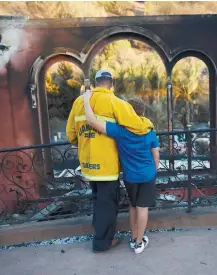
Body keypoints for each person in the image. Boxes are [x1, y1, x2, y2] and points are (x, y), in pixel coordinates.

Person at [66, 69, 154, 253]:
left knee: (98, 200)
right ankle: (102, 242)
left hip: (88, 165)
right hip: (106, 165)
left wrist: (83, 143)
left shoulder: (79, 102)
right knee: (107, 204)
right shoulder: (115, 102)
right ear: (111, 83)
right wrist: (149, 126)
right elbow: (138, 126)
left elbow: (71, 134)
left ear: (96, 82)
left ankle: (100, 232)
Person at [83, 90, 159, 254]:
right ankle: (139, 243)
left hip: (130, 176)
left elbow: (92, 121)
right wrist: (155, 169)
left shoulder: (120, 131)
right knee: (143, 207)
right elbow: (156, 155)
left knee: (133, 206)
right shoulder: (149, 129)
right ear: (142, 112)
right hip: (148, 175)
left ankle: (133, 238)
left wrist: (86, 100)